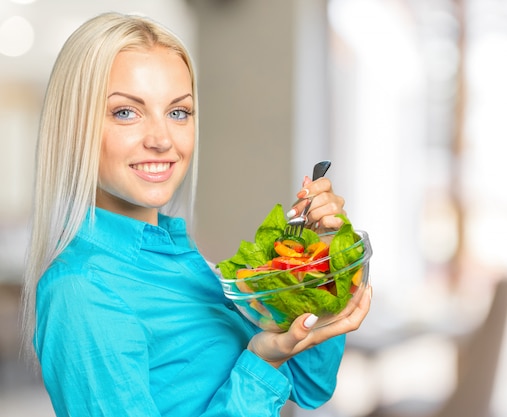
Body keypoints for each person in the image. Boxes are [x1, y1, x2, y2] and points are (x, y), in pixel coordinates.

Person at [21, 12, 372, 417]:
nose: (161, 139)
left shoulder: (181, 262)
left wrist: (321, 261)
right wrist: (261, 362)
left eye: (178, 112)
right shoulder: (83, 290)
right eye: (125, 112)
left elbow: (310, 385)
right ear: (74, 125)